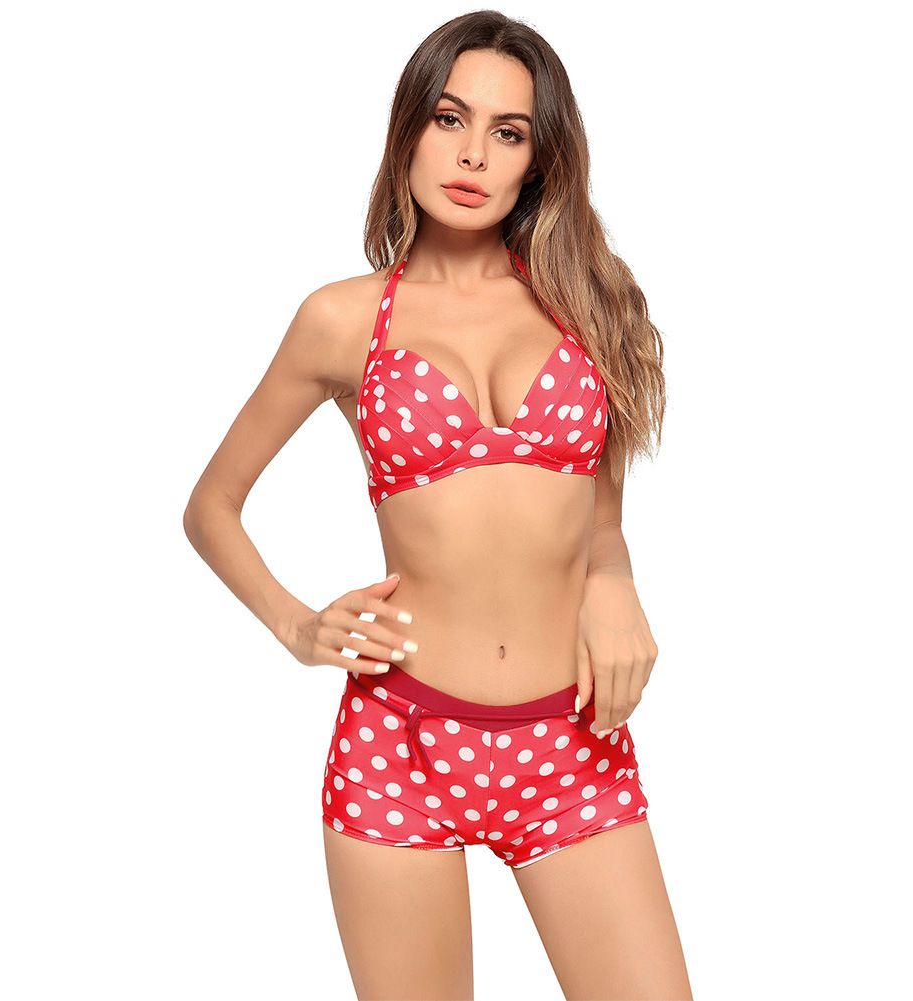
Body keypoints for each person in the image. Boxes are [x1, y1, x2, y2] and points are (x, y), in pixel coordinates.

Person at [184, 11, 692, 1000]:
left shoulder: (586, 302)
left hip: (572, 741)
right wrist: (296, 625)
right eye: (449, 118)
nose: (471, 154)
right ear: (409, 128)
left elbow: (599, 526)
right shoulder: (341, 319)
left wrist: (614, 583)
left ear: (538, 161)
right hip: (399, 742)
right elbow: (212, 505)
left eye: (508, 132)